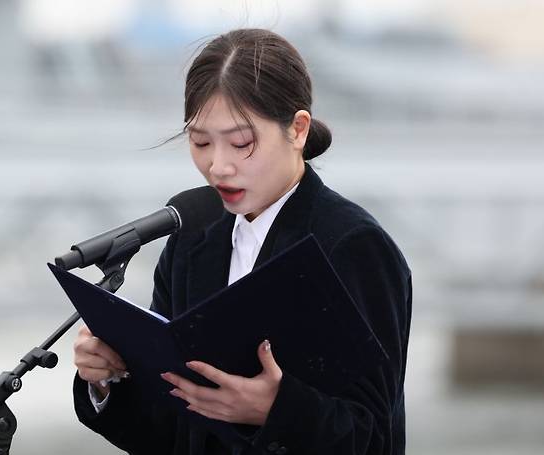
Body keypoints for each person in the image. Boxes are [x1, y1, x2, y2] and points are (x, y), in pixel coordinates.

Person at [72, 28, 412, 455]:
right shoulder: (192, 237)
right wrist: (107, 379)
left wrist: (276, 409)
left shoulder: (350, 245)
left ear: (298, 130)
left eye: (241, 143)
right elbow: (171, 430)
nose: (218, 167)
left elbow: (376, 437)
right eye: (200, 143)